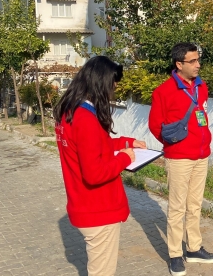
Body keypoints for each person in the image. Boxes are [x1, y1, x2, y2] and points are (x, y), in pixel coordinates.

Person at [53, 56, 147, 276]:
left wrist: (127, 143)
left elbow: (94, 145)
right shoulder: (86, 118)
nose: (113, 91)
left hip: (83, 204)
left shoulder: (69, 112)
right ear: (100, 83)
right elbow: (94, 173)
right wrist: (124, 158)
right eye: (112, 86)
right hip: (98, 208)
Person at [148, 42, 213, 276]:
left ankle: (194, 248)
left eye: (199, 60)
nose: (198, 65)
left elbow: (203, 117)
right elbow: (155, 126)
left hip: (201, 155)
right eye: (193, 61)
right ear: (179, 64)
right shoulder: (163, 92)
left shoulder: (202, 86)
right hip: (179, 158)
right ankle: (175, 254)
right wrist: (173, 144)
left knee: (195, 204)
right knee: (177, 207)